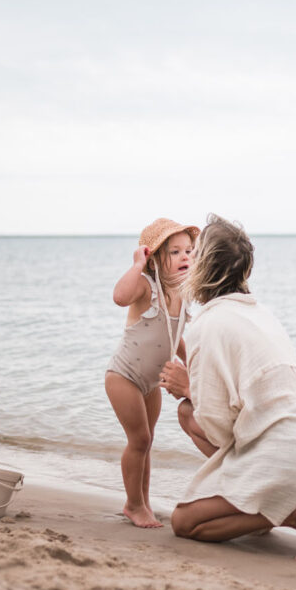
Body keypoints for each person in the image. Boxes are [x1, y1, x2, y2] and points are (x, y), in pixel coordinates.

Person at [159, 215, 296, 560]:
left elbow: (219, 427)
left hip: (286, 452)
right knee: (187, 414)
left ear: (203, 267)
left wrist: (188, 389)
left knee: (184, 523)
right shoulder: (260, 313)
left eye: (192, 254)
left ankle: (295, 513)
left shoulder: (209, 325)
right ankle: (261, 502)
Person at [106, 217, 200, 529]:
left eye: (188, 250)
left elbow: (176, 336)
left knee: (148, 442)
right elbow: (119, 297)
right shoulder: (147, 287)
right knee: (139, 439)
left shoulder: (182, 294)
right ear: (155, 259)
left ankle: (142, 501)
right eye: (174, 252)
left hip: (150, 383)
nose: (185, 256)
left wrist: (190, 363)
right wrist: (137, 265)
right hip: (124, 377)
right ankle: (133, 505)